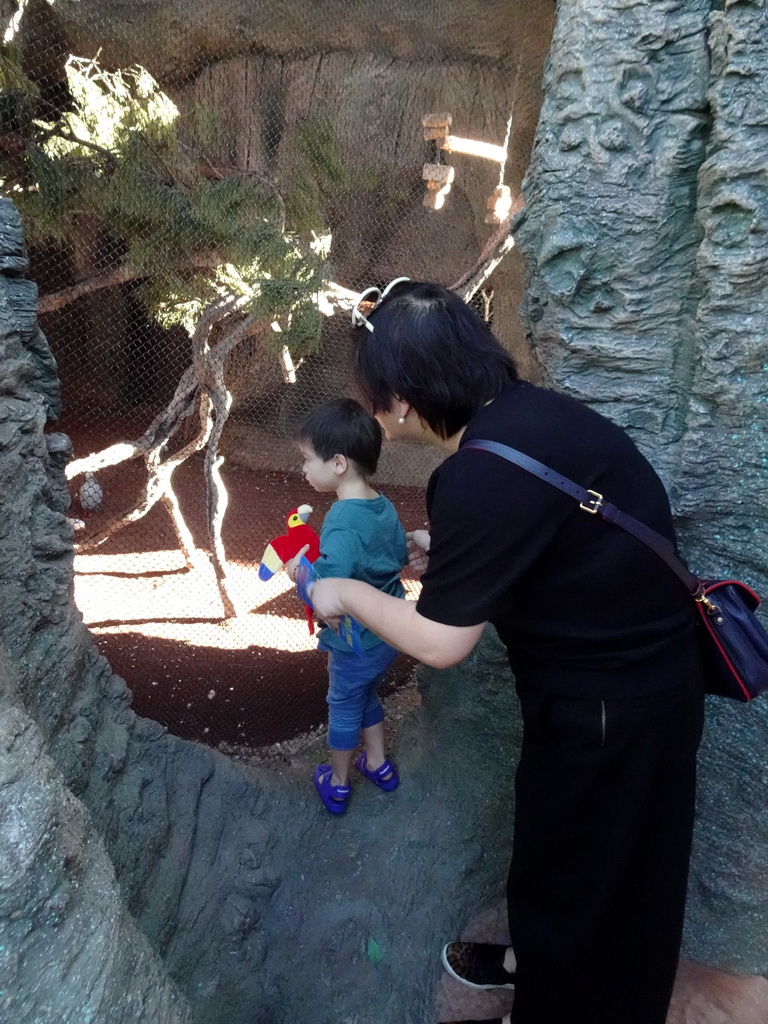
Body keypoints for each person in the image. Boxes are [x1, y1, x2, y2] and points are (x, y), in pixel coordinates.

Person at [308, 281, 705, 1024]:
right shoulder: (534, 418)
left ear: (399, 398)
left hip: (613, 708)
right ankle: (535, 963)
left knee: (597, 878)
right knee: (575, 852)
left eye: (373, 393)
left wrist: (347, 594)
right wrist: (448, 551)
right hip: (632, 684)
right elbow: (540, 536)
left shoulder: (476, 474)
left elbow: (440, 643)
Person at [287, 398, 408, 815]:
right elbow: (396, 556)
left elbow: (326, 589)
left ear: (338, 463)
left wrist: (298, 570)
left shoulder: (341, 518)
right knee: (366, 692)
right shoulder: (383, 505)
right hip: (389, 632)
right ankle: (377, 764)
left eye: (307, 459)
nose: (303, 468)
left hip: (355, 640)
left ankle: (337, 782)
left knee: (342, 703)